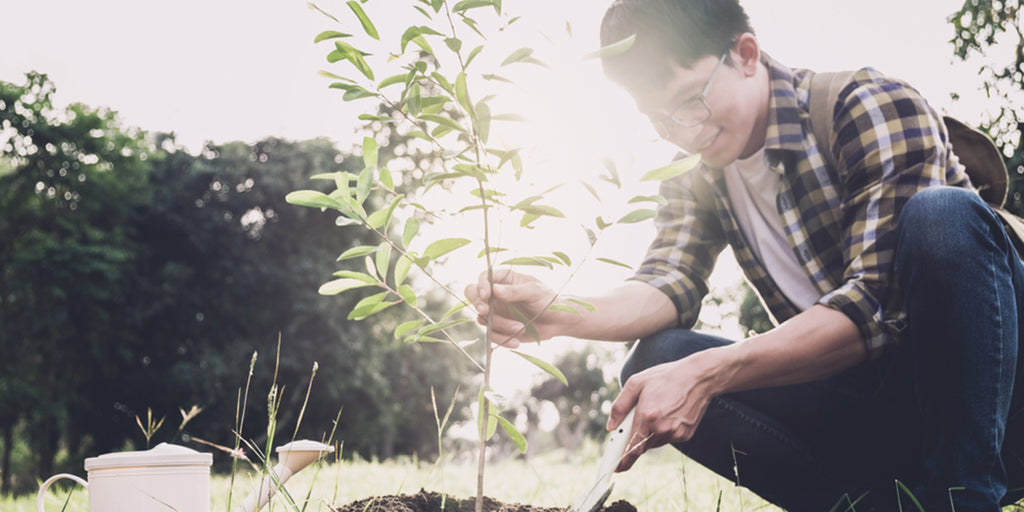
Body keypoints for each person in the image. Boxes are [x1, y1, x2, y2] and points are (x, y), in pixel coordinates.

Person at [464, 0, 1024, 510]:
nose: (683, 132)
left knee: (942, 216)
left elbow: (871, 309)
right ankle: (867, 505)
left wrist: (710, 373)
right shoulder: (697, 173)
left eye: (689, 102)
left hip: (992, 400)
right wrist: (556, 312)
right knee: (656, 359)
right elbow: (667, 283)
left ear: (746, 55)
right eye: (659, 120)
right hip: (883, 409)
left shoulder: (865, 104)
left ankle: (962, 497)